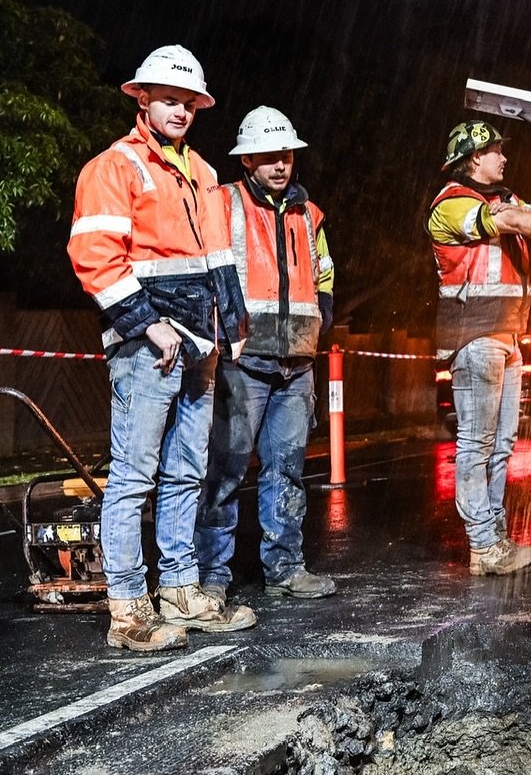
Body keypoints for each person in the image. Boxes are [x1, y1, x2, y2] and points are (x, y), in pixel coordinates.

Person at [68, 46, 253, 653]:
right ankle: (128, 608)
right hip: (148, 345)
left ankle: (179, 588)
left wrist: (234, 322)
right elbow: (95, 257)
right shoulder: (114, 167)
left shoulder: (200, 171)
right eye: (168, 99)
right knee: (134, 476)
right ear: (142, 99)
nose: (180, 109)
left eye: (189, 102)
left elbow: (217, 259)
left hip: (202, 341)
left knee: (186, 471)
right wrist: (147, 323)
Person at [196, 107, 338, 607]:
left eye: (287, 155)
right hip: (242, 360)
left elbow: (323, 275)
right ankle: (211, 575)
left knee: (286, 470)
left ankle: (285, 568)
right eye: (270, 155)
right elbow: (209, 271)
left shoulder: (309, 213)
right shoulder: (226, 204)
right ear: (248, 158)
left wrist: (322, 320)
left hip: (297, 363)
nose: (280, 164)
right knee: (226, 470)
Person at [428, 119, 531, 574]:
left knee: (503, 442)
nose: (504, 157)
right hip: (474, 338)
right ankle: (483, 544)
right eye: (495, 151)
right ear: (473, 157)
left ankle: (495, 540)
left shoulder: (504, 198)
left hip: (506, 337)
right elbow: (513, 222)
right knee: (476, 443)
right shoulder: (451, 205)